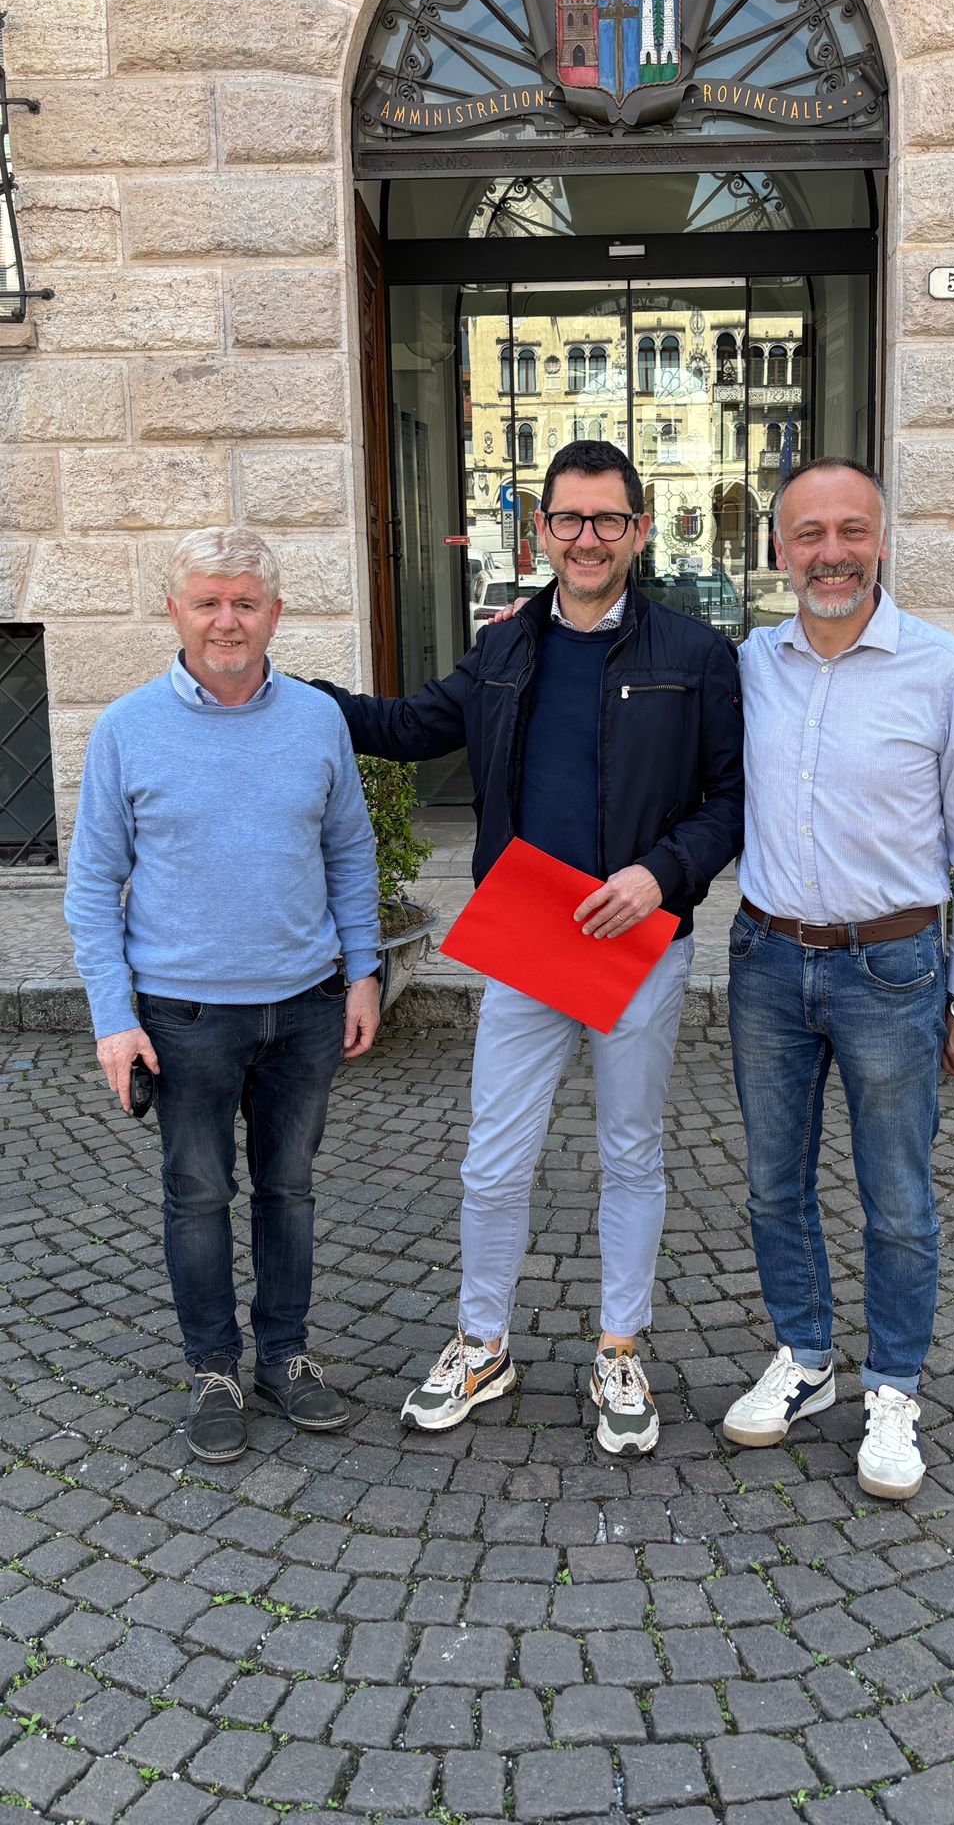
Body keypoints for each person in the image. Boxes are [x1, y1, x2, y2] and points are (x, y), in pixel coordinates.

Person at [314, 441, 743, 1454]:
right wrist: (283, 691)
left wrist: (660, 874)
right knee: (493, 1160)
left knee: (631, 1154)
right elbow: (404, 726)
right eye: (569, 520)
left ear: (640, 530)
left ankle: (620, 1348)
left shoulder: (695, 655)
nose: (588, 538)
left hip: (639, 939)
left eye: (608, 519)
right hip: (529, 938)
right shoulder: (502, 650)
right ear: (540, 531)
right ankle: (483, 1343)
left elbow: (732, 799)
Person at [723, 457, 954, 1500]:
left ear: (882, 541)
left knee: (898, 1199)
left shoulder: (944, 670)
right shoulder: (749, 664)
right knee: (773, 1185)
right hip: (765, 962)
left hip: (893, 970)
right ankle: (806, 1357)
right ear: (779, 550)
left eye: (852, 531)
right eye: (809, 534)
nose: (832, 553)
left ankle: (893, 1385)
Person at [64, 527, 382, 1464]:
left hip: (307, 1005)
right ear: (175, 611)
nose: (226, 620)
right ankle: (213, 1369)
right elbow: (92, 885)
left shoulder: (317, 720)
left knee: (290, 1189)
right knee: (198, 1196)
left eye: (245, 601)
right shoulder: (126, 728)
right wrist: (114, 1018)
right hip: (183, 1015)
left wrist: (364, 970)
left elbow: (349, 850)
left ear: (276, 613)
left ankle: (284, 1357)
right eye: (207, 601)